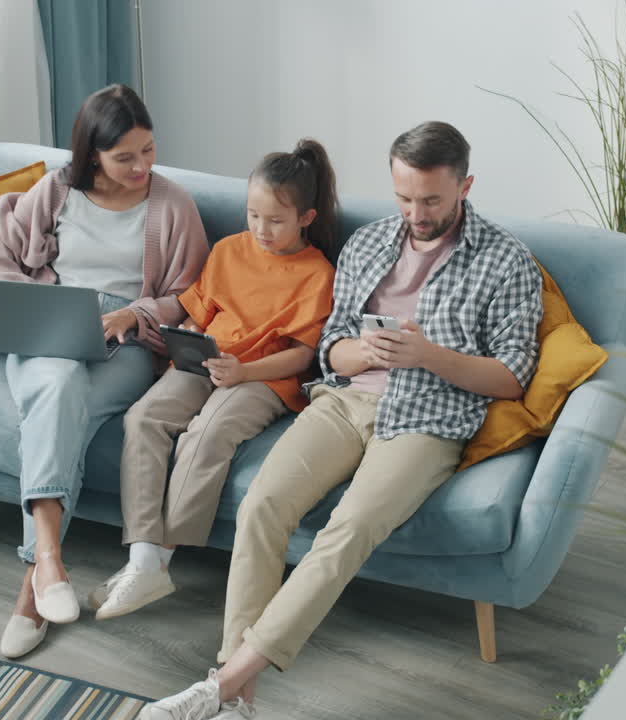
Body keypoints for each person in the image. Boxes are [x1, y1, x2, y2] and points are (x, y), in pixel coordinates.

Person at [140, 121, 544, 720]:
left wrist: (425, 354)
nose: (416, 212)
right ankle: (235, 700)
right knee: (262, 505)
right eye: (404, 197)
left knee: (346, 532)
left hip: (427, 419)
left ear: (465, 186)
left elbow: (513, 375)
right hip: (344, 400)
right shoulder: (370, 244)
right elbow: (328, 349)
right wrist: (363, 352)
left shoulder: (506, 260)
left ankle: (221, 687)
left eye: (431, 199)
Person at [0, 84, 209, 660]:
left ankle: (36, 583)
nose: (141, 166)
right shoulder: (55, 191)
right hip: (50, 330)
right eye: (125, 157)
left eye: (148, 151)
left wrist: (135, 312)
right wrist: (36, 306)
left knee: (62, 404)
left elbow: (193, 296)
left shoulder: (172, 205)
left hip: (126, 345)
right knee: (58, 385)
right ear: (92, 154)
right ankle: (44, 567)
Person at [89, 139, 340, 620]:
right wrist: (188, 337)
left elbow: (302, 356)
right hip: (208, 362)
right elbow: (199, 312)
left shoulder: (316, 274)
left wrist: (243, 370)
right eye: (252, 216)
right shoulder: (228, 251)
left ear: (305, 218)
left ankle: (159, 560)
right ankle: (141, 557)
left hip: (262, 378)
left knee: (207, 434)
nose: (260, 230)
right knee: (144, 417)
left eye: (275, 220)